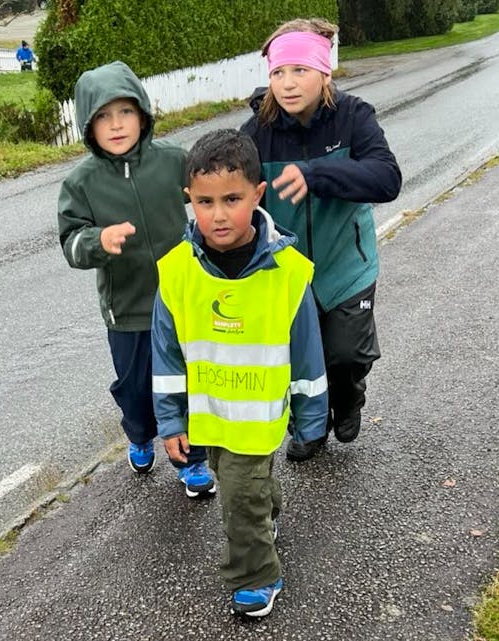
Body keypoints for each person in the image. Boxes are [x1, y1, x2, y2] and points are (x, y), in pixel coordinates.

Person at [151, 129, 329, 617]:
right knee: (246, 487)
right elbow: (166, 356)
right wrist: (171, 419)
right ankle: (265, 514)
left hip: (259, 418)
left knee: (238, 495)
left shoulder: (288, 272)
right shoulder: (176, 272)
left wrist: (312, 416)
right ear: (189, 200)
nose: (218, 215)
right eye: (204, 202)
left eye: (232, 199)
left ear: (258, 194)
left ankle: (256, 575)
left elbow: (307, 353)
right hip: (209, 417)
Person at [239, 18, 402, 462]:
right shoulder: (257, 133)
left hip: (347, 265)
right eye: (278, 73)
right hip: (287, 273)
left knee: (345, 355)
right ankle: (309, 428)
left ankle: (348, 398)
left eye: (300, 70)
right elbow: (229, 187)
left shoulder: (354, 117)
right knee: (296, 359)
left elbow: (387, 179)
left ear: (324, 72)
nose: (287, 83)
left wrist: (317, 174)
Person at [57, 60, 216, 498]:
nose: (116, 124)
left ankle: (192, 462)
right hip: (127, 310)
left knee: (187, 385)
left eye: (125, 111)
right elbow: (70, 242)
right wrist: (97, 240)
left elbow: (209, 194)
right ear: (88, 127)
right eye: (103, 116)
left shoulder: (172, 161)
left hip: (182, 303)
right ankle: (140, 435)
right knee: (137, 392)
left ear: (143, 115)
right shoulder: (81, 183)